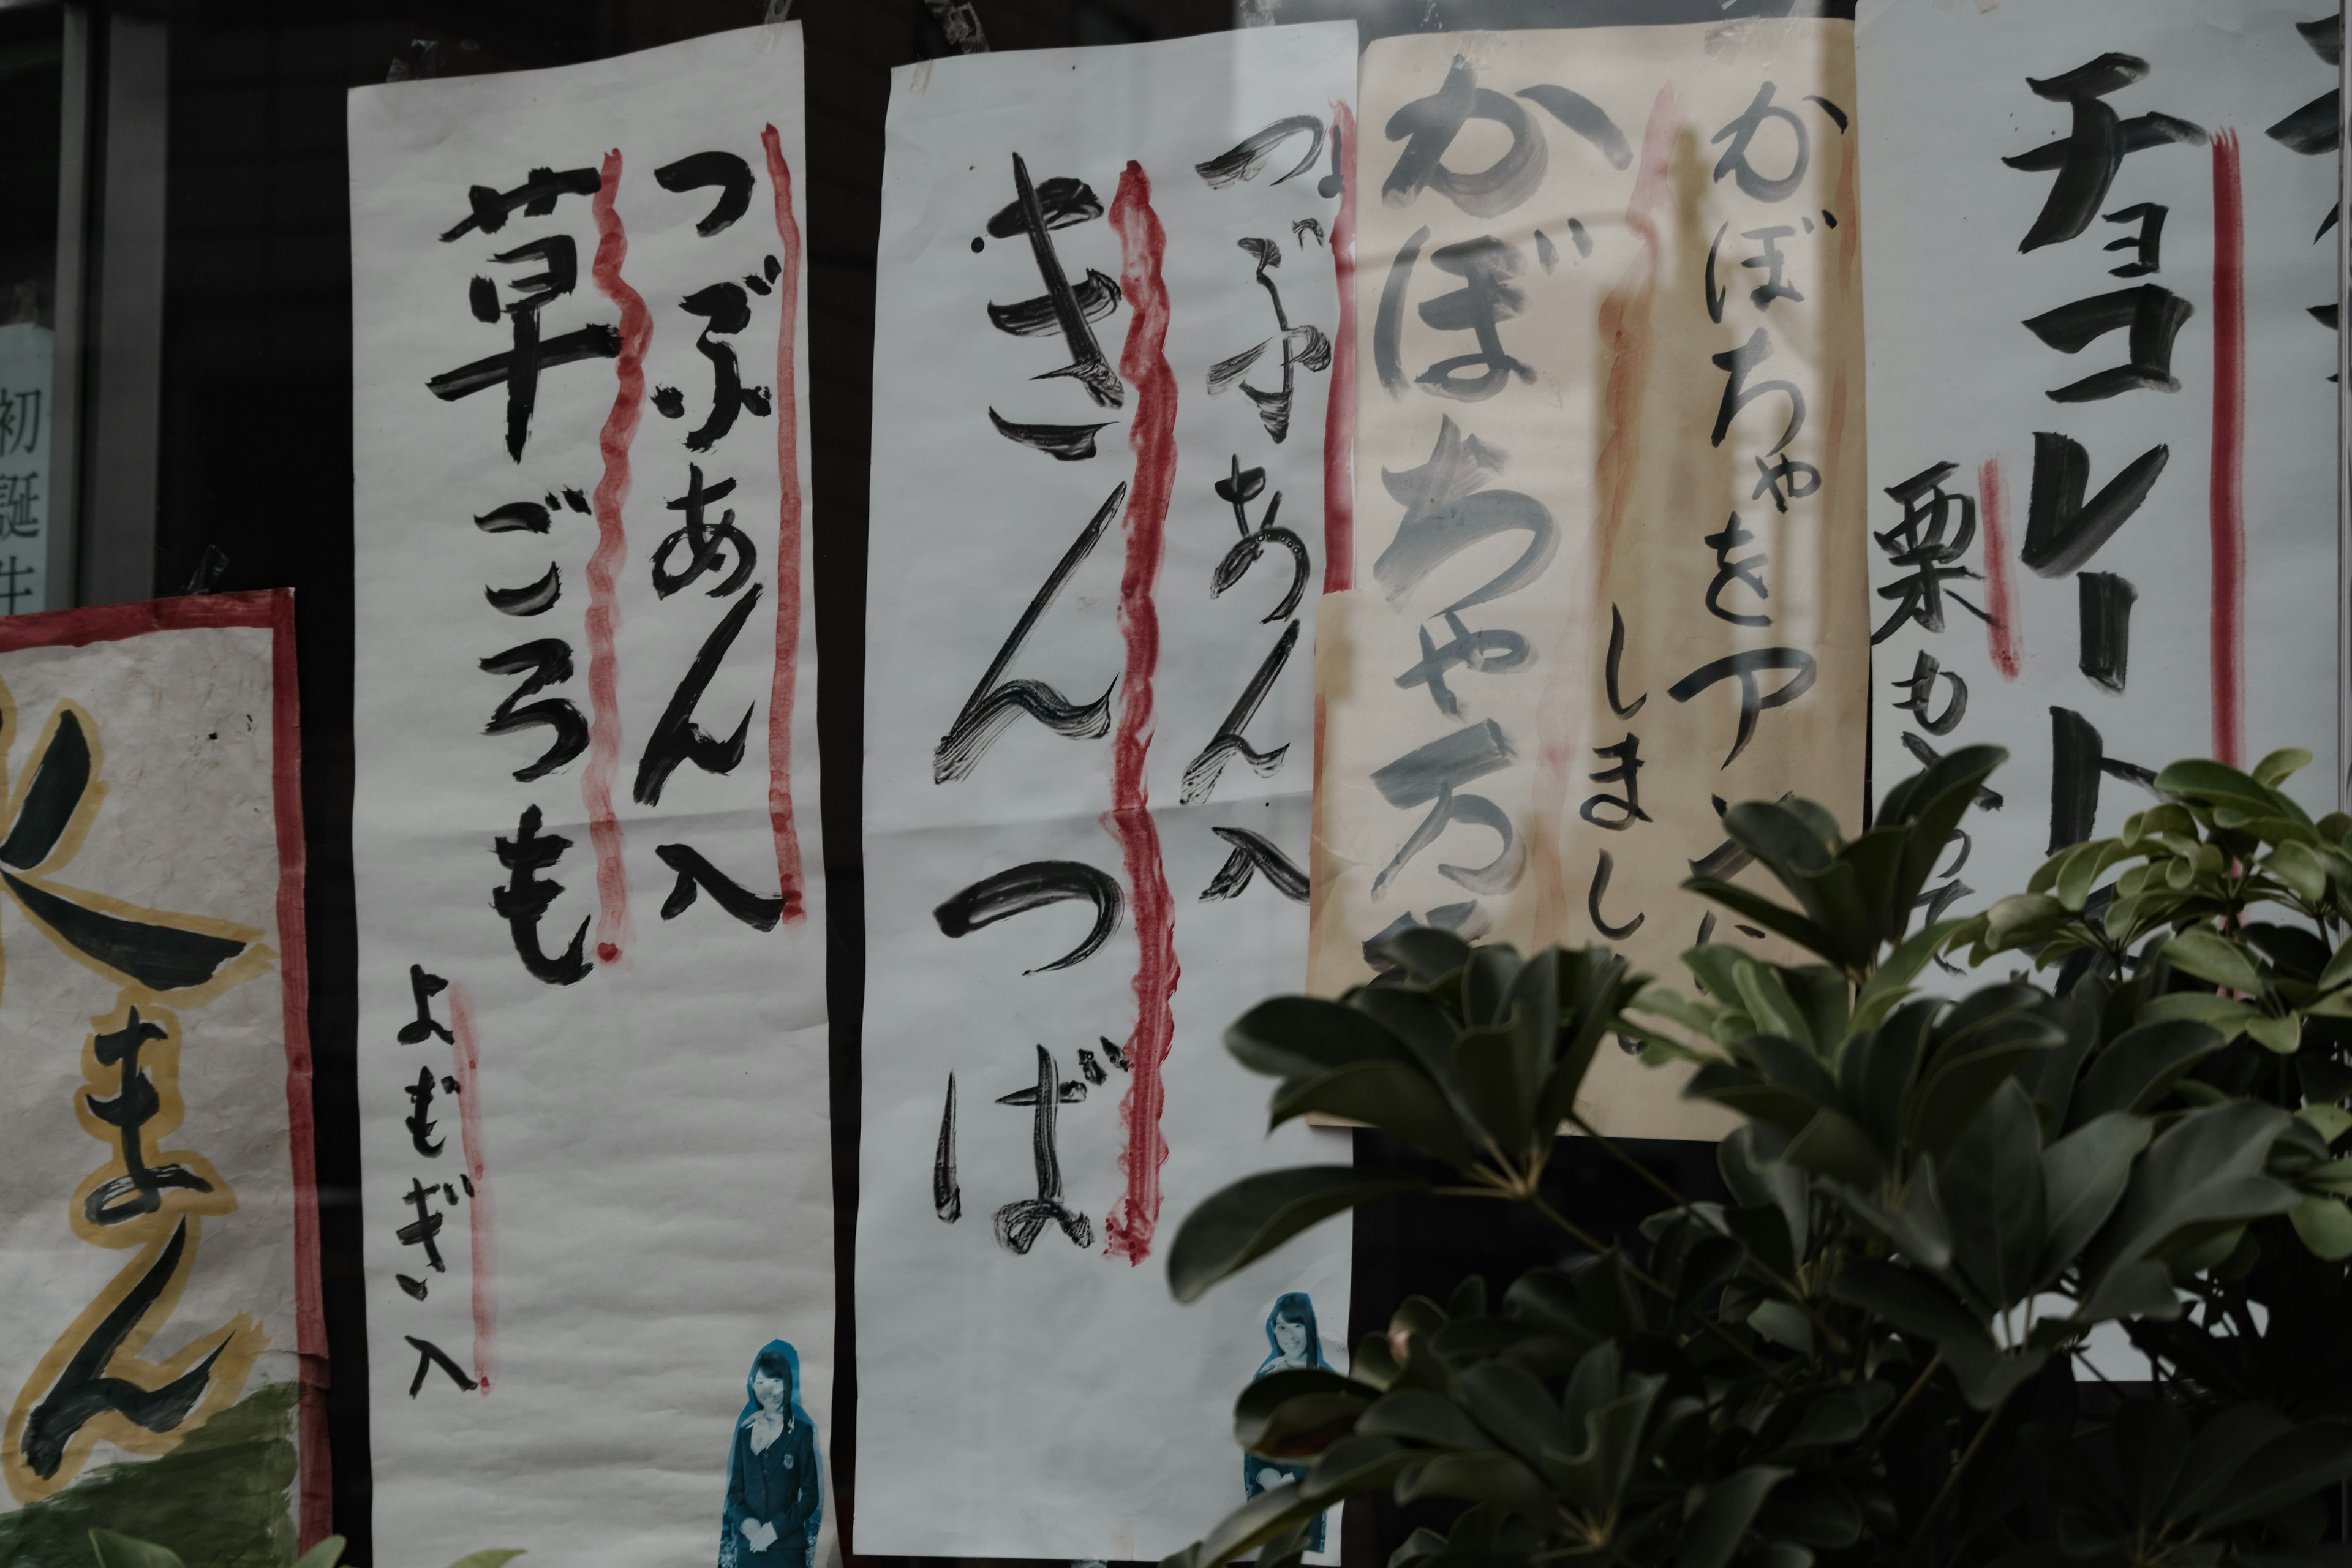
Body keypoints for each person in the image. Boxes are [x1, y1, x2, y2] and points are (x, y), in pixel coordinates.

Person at [721, 1340, 821, 1568]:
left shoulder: (802, 1433)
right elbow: (734, 1494)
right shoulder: (744, 1435)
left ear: (787, 1384)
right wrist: (748, 1524)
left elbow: (810, 1497)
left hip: (787, 1552)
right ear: (754, 1387)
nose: (769, 1390)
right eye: (761, 1382)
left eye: (775, 1381)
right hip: (749, 1550)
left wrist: (776, 1529)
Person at [1242, 1293, 1326, 1553]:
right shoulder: (1267, 1377)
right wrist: (1273, 1482)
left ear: (1309, 1328)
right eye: (1282, 1327)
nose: (1290, 1335)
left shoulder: (1326, 1380)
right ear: (1274, 1333)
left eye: (1297, 1325)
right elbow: (1254, 1441)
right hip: (1271, 1494)